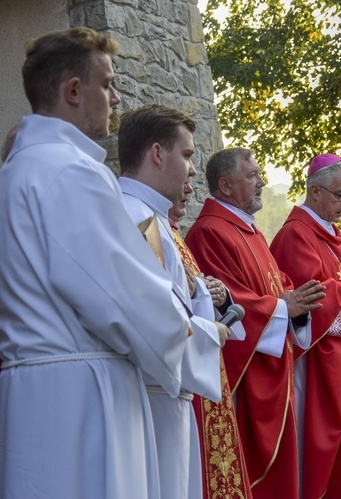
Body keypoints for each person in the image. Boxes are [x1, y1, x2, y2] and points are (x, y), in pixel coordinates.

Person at [0, 27, 190, 498]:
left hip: (32, 390)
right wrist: (186, 336)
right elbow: (120, 297)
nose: (116, 96)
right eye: (107, 84)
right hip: (81, 399)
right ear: (73, 91)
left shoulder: (15, 172)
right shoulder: (70, 171)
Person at [185, 147, 326, 499]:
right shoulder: (210, 232)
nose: (262, 182)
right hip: (244, 381)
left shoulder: (250, 231)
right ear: (226, 185)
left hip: (272, 372)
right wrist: (283, 307)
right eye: (252, 176)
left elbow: (277, 283)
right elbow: (225, 300)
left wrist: (296, 302)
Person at [117, 105, 232, 499]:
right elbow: (156, 319)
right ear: (156, 154)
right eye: (186, 155)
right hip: (154, 396)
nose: (193, 170)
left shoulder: (151, 217)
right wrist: (213, 332)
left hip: (161, 392)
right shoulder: (140, 219)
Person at [269, 153, 341, 499]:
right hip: (317, 369)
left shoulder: (332, 235)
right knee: (319, 456)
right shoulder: (296, 235)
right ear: (316, 191)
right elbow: (306, 304)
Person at [169, 173, 254, 499]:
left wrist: (209, 291)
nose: (190, 187)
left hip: (201, 365)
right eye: (253, 175)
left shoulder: (173, 231)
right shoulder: (202, 230)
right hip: (178, 373)